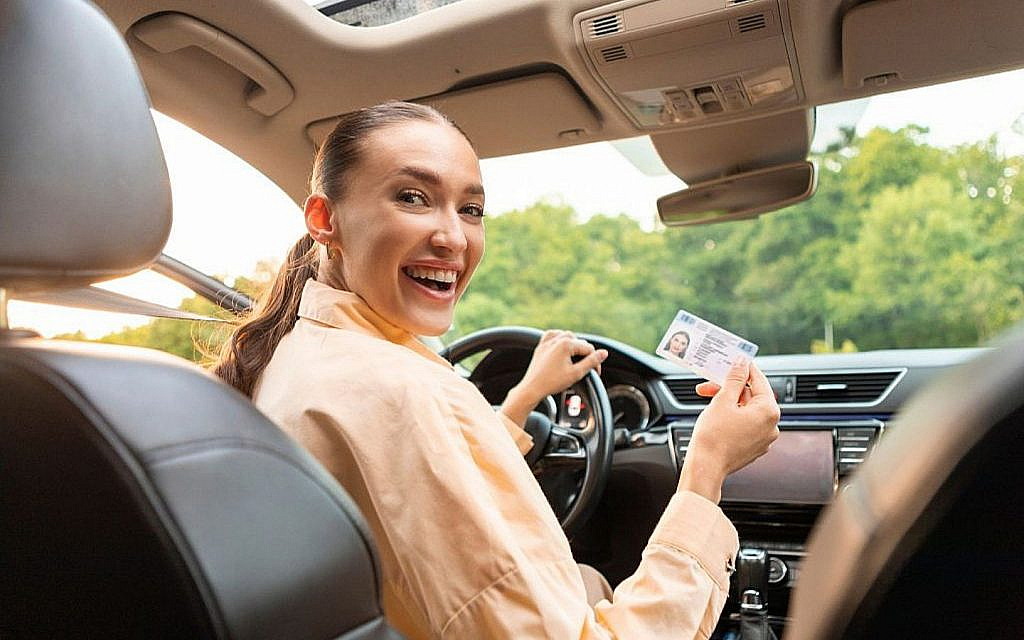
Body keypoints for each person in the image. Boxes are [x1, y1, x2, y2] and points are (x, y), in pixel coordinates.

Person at [213, 102, 780, 639]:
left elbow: (418, 476)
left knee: (585, 581)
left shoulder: (299, 352)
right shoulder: (405, 392)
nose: (453, 237)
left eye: (471, 209)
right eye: (412, 198)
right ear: (323, 218)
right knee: (595, 583)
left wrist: (528, 394)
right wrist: (707, 468)